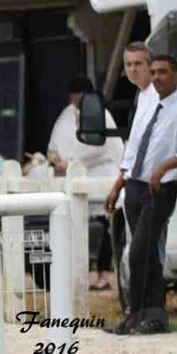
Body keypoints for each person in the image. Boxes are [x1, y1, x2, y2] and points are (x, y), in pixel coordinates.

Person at [103, 55, 177, 335]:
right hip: (135, 185)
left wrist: (165, 167)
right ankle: (142, 317)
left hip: (159, 189)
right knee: (146, 256)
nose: (157, 76)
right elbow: (135, 147)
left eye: (163, 72)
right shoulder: (148, 102)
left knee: (139, 253)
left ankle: (146, 316)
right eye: (154, 72)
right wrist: (118, 185)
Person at [47, 75, 124, 290]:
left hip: (103, 175)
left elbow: (99, 146)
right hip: (74, 179)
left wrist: (71, 159)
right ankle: (76, 274)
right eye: (72, 99)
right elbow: (54, 145)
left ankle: (103, 274)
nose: (75, 104)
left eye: (78, 99)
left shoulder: (101, 115)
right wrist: (55, 159)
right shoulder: (66, 115)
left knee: (106, 226)